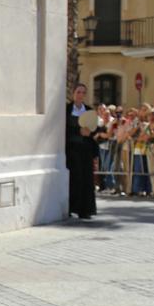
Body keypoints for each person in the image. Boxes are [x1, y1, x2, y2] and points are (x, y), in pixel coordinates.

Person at [65, 84, 97, 219]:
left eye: (83, 93)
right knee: (73, 179)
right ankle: (71, 208)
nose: (80, 95)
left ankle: (85, 210)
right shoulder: (66, 110)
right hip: (72, 149)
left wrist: (90, 132)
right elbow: (64, 128)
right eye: (78, 92)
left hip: (86, 149)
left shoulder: (89, 110)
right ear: (73, 93)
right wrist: (78, 131)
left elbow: (95, 128)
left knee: (86, 179)